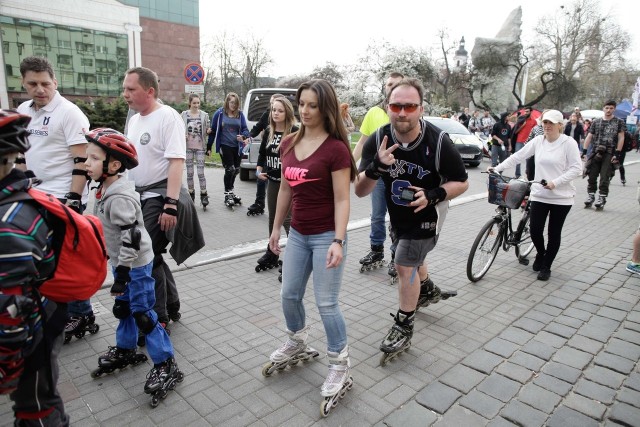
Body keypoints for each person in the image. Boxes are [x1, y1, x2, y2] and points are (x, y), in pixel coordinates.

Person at [354, 78, 469, 359]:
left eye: (409, 106)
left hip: (429, 214)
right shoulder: (379, 138)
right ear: (387, 107)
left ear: (421, 109)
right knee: (411, 257)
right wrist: (376, 167)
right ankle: (426, 289)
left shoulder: (439, 141)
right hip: (399, 216)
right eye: (396, 106)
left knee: (404, 263)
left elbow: (462, 182)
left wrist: (433, 194)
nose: (402, 112)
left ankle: (404, 326)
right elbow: (359, 190)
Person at [267, 79, 357, 406]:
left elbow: (343, 199)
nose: (305, 111)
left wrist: (338, 240)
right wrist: (276, 228)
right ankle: (298, 340)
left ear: (325, 108)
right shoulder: (288, 143)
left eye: (312, 105)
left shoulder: (336, 149)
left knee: (326, 302)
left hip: (326, 236)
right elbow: (285, 190)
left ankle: (339, 362)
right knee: (289, 293)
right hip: (299, 234)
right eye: (302, 104)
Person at [84, 128, 182, 401]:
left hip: (135, 266)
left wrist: (123, 273)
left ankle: (166, 363)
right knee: (123, 308)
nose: (86, 163)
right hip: (122, 263)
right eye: (87, 157)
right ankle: (126, 348)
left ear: (113, 165)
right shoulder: (105, 188)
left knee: (143, 314)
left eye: (93, 158)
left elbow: (132, 238)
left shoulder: (120, 197)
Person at [15, 56, 96, 343]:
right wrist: (21, 187)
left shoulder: (69, 113)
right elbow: (21, 153)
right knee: (41, 258)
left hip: (63, 195)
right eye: (33, 84)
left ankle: (82, 312)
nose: (40, 89)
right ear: (23, 83)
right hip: (34, 193)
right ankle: (54, 307)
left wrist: (74, 198)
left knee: (66, 258)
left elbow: (81, 158)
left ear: (55, 82)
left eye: (45, 84)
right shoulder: (23, 110)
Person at [0, 110, 70, 426]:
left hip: (31, 333)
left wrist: (7, 368)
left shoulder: (10, 224)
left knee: (37, 408)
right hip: (35, 318)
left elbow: (10, 311)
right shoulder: (15, 201)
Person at [124, 66, 205, 335]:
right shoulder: (134, 119)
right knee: (153, 256)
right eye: (124, 88)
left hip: (159, 196)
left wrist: (170, 205)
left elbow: (176, 162)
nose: (125, 94)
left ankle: (158, 318)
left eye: (130, 89)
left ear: (149, 91)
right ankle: (171, 304)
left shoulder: (167, 117)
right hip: (138, 196)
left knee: (146, 256)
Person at [490, 110, 582, 280]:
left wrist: (556, 182)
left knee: (554, 232)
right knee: (535, 230)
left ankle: (547, 265)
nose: (547, 126)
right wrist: (497, 167)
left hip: (561, 197)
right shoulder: (538, 141)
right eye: (545, 123)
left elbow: (577, 169)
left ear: (560, 125)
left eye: (551, 123)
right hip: (539, 193)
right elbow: (518, 155)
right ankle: (541, 253)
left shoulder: (568, 143)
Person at [352, 71, 404, 278]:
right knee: (377, 215)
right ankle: (376, 250)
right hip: (377, 174)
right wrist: (352, 167)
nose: (391, 87)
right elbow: (363, 142)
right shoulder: (374, 112)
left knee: (398, 218)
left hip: (399, 175)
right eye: (389, 84)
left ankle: (395, 255)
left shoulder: (404, 112)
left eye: (396, 84)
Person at [254, 96, 298, 271]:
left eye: (280, 110)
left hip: (289, 184)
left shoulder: (294, 131)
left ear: (287, 112)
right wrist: (258, 171)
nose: (276, 113)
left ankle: (295, 255)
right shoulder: (268, 131)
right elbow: (262, 155)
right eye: (274, 110)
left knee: (288, 220)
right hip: (272, 182)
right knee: (273, 219)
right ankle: (272, 252)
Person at [207, 92, 250, 208]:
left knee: (236, 170)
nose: (233, 105)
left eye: (236, 103)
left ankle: (231, 192)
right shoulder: (219, 113)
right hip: (224, 145)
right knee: (229, 169)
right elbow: (213, 130)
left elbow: (245, 129)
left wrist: (244, 136)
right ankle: (227, 195)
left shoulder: (240, 115)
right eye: (231, 102)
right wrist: (209, 147)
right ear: (227, 102)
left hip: (237, 147)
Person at [581, 100, 626, 209]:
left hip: (609, 152)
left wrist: (618, 153)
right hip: (596, 151)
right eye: (607, 107)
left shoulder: (619, 122)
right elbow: (589, 136)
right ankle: (590, 196)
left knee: (605, 176)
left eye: (611, 108)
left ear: (614, 109)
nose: (608, 110)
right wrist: (584, 151)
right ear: (603, 108)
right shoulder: (596, 121)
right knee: (591, 174)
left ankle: (602, 198)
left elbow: (621, 137)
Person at [246, 93, 283, 215]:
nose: (274, 110)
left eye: (277, 105)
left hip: (281, 163)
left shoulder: (291, 129)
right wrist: (248, 137)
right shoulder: (267, 116)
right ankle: (259, 203)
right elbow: (257, 128)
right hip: (268, 155)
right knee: (261, 179)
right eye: (272, 105)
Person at [181, 93, 211, 209]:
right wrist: (182, 135)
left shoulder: (204, 115)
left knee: (200, 172)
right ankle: (191, 193)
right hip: (187, 147)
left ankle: (204, 194)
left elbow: (208, 128)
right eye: (194, 103)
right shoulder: (183, 115)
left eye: (198, 103)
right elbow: (178, 127)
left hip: (200, 147)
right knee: (189, 173)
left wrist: (208, 130)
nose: (196, 105)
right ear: (190, 103)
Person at [511, 107, 537, 177]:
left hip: (529, 142)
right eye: (525, 112)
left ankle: (528, 174)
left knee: (528, 159)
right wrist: (522, 125)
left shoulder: (534, 122)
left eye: (527, 112)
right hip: (519, 141)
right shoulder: (521, 119)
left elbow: (535, 133)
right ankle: (517, 175)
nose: (525, 113)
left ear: (531, 112)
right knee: (518, 158)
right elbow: (515, 131)